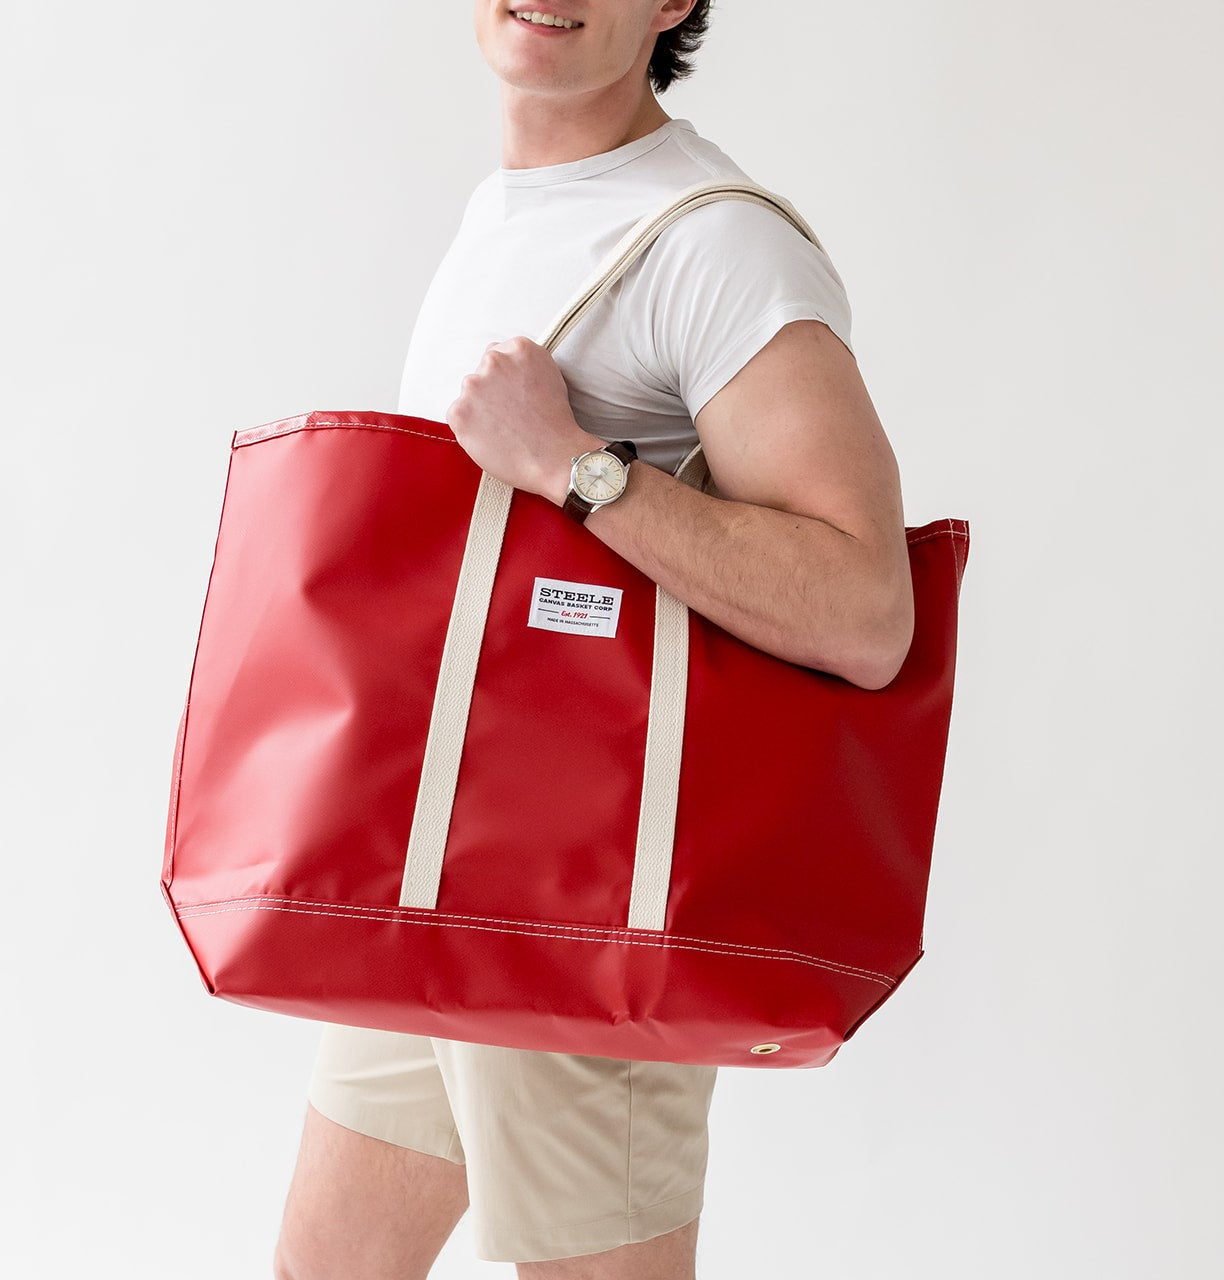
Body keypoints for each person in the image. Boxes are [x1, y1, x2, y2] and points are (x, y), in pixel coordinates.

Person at [274, 3, 914, 1277]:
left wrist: (572, 462)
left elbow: (864, 612)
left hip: (586, 901)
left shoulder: (717, 244)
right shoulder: (503, 210)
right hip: (438, 871)